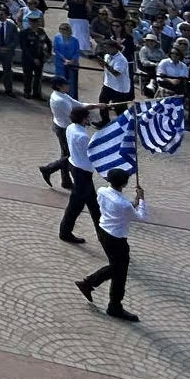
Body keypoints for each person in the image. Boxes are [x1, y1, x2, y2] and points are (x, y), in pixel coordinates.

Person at [75, 166, 147, 322]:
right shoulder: (123, 204)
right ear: (124, 184)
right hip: (117, 239)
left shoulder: (102, 191)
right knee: (119, 270)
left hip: (104, 231)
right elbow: (141, 217)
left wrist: (134, 203)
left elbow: (123, 209)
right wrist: (141, 199)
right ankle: (108, 301)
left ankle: (96, 290)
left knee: (117, 268)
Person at [57, 105, 97, 244]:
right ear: (83, 119)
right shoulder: (83, 136)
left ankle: (102, 232)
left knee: (93, 204)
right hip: (82, 172)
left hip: (75, 165)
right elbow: (92, 154)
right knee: (76, 205)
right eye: (87, 117)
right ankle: (65, 232)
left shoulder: (70, 128)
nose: (89, 119)